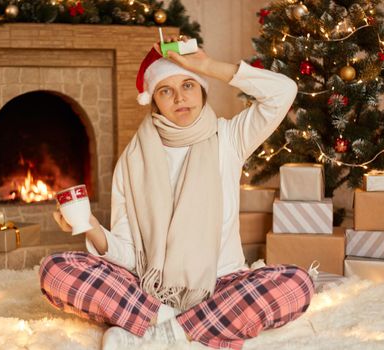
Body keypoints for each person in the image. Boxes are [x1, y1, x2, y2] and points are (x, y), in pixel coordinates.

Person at [39, 36, 314, 350]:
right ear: (154, 100)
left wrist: (208, 66)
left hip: (222, 283)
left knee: (297, 284)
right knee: (56, 271)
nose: (180, 98)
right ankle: (189, 324)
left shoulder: (228, 138)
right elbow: (128, 255)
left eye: (188, 85)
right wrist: (89, 225)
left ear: (202, 89)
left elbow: (283, 91)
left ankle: (158, 332)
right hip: (148, 287)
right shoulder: (133, 161)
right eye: (165, 90)